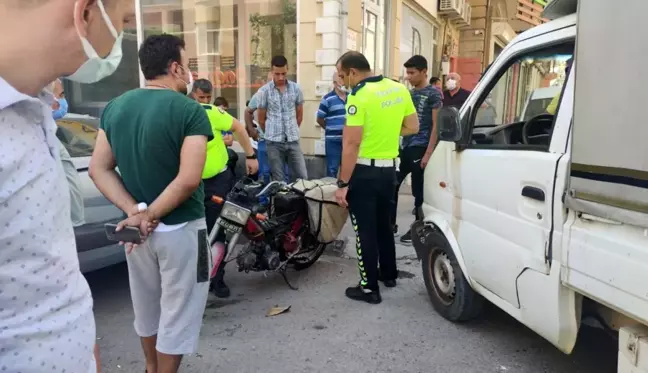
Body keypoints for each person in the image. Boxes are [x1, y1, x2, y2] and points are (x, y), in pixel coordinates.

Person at [0, 0, 133, 372]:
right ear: (86, 13)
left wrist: (84, 345)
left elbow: (47, 272)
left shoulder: (34, 109)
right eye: (123, 20)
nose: (122, 37)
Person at [88, 34, 213, 373]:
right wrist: (151, 214)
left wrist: (135, 212)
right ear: (175, 67)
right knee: (179, 309)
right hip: (182, 227)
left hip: (136, 233)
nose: (189, 74)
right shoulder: (189, 110)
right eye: (186, 66)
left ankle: (150, 367)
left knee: (147, 308)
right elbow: (189, 179)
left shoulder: (116, 106)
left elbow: (98, 167)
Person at [334, 51, 419, 304]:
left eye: (341, 75)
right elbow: (413, 127)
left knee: (365, 231)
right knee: (384, 224)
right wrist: (389, 135)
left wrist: (343, 183)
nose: (341, 81)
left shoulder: (358, 96)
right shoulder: (397, 89)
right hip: (389, 171)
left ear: (352, 72)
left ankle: (369, 288)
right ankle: (389, 274)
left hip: (364, 172)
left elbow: (351, 144)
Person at [198, 99, 258, 299]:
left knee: (219, 229)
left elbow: (238, 128)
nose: (203, 101)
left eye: (205, 97)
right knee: (195, 233)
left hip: (217, 181)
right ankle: (197, 280)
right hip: (189, 183)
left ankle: (217, 278)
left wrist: (250, 155)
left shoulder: (209, 112)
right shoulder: (175, 115)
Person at [393, 55, 443, 244]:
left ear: (424, 72)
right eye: (407, 73)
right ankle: (390, 224)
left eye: (412, 73)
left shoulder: (433, 94)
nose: (409, 76)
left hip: (421, 146)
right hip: (404, 145)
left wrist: (428, 153)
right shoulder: (407, 93)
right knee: (393, 184)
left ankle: (419, 229)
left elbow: (436, 126)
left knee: (418, 191)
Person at [257, 55, 308, 182]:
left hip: (293, 141)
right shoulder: (264, 91)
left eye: (284, 73)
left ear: (288, 70)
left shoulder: (296, 89)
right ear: (271, 72)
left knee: (302, 177)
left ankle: (300, 202)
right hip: (273, 143)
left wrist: (292, 129)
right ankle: (280, 202)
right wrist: (271, 132)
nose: (281, 77)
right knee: (279, 180)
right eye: (277, 74)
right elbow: (261, 119)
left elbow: (300, 115)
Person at [246, 82, 291, 184]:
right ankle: (264, 200)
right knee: (264, 174)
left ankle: (283, 199)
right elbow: (247, 111)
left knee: (284, 174)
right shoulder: (260, 94)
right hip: (264, 141)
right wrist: (252, 132)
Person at [317, 71, 348, 178]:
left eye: (343, 80)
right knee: (332, 169)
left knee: (347, 169)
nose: (342, 84)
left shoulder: (352, 97)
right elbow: (320, 118)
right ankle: (331, 192)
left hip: (348, 140)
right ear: (334, 83)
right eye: (339, 81)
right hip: (333, 141)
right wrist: (330, 129)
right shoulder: (327, 99)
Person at [213, 96, 239, 177]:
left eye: (225, 111)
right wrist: (224, 138)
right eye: (221, 110)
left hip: (223, 151)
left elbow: (230, 141)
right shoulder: (210, 121)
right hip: (213, 153)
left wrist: (218, 139)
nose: (223, 113)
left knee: (233, 156)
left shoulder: (226, 124)